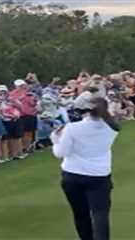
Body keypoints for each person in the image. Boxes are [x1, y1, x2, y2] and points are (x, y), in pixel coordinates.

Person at [51, 94, 120, 240]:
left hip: (72, 175)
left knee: (80, 213)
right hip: (99, 176)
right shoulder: (112, 127)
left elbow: (60, 153)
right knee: (100, 214)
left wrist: (55, 139)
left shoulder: (72, 128)